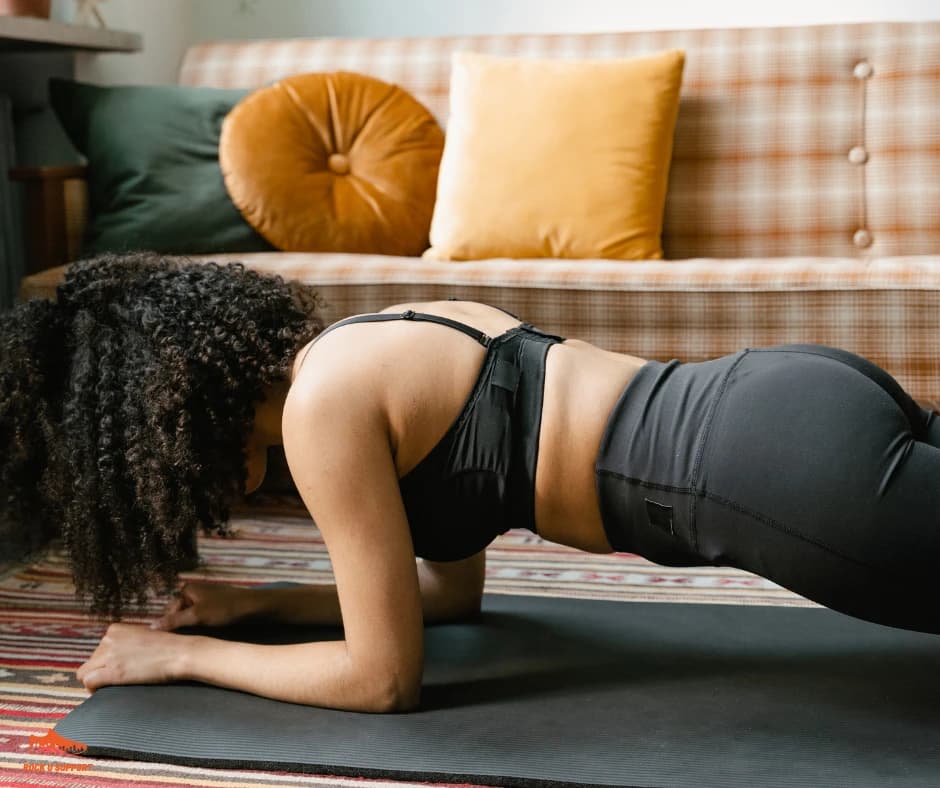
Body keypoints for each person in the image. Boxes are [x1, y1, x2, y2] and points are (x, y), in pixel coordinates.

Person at [2, 253, 938, 714]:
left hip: (771, 481)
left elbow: (381, 679)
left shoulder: (319, 417)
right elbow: (449, 592)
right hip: (793, 392)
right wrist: (255, 603)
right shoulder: (364, 343)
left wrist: (175, 657)